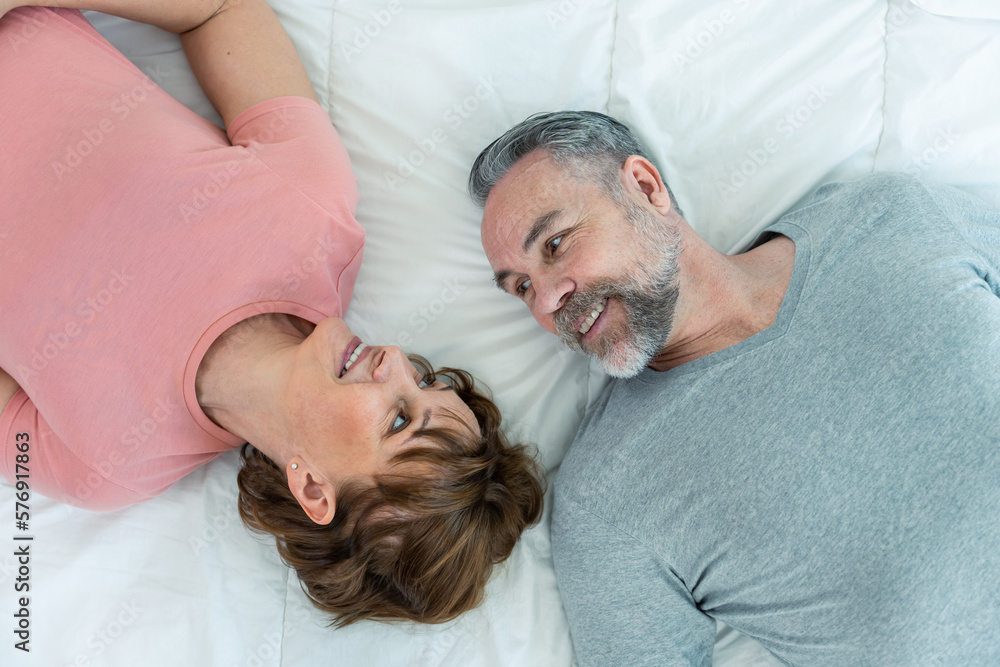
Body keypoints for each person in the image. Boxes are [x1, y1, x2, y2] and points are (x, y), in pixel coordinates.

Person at [0, 2, 544, 628]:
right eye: (426, 383)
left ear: (313, 488)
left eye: (399, 418)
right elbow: (217, 11)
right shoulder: (313, 210)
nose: (396, 361)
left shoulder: (103, 463)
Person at [469, 111, 1000, 665]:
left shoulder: (889, 218)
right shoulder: (607, 498)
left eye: (555, 244)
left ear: (645, 189)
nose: (548, 301)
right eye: (522, 287)